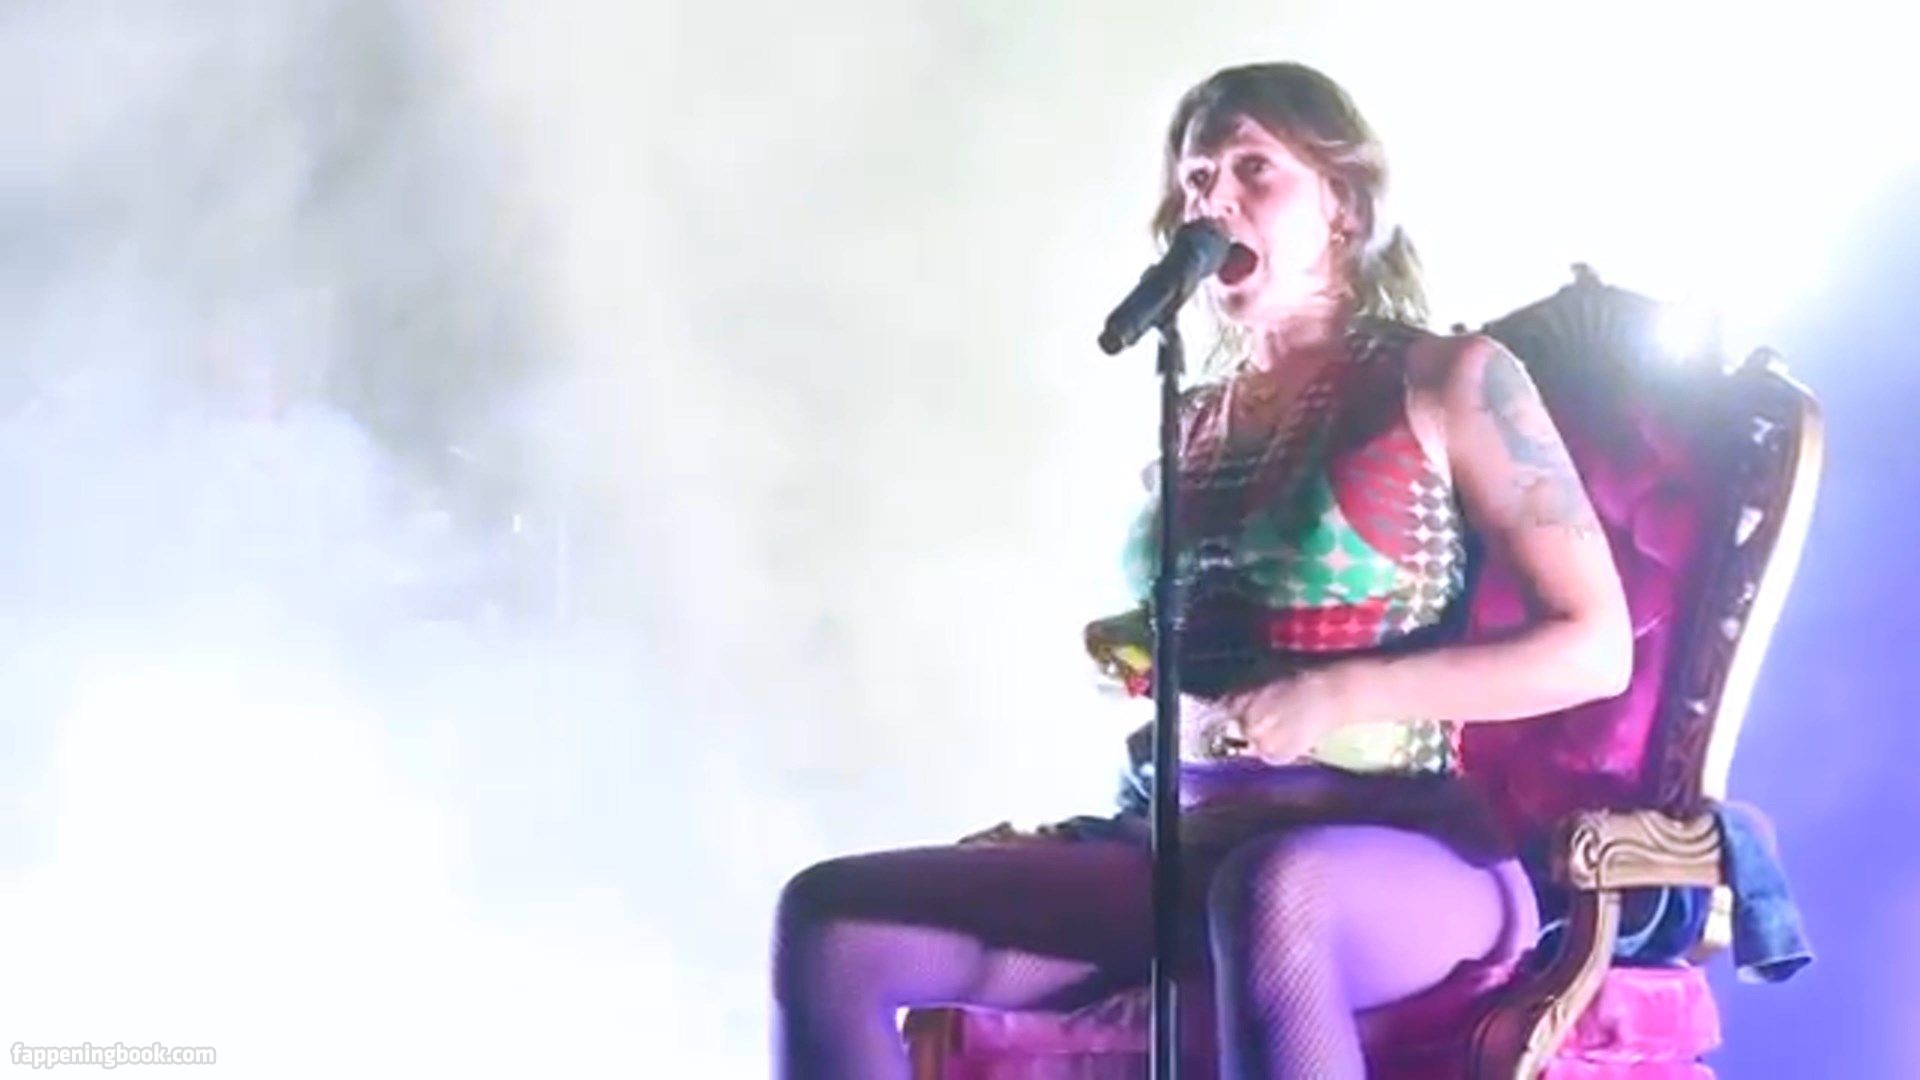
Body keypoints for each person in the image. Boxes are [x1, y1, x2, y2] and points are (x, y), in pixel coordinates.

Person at [772, 62, 1633, 1079]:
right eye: (1195, 179)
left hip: (1404, 853)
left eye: (1252, 168)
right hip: (1185, 843)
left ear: (1344, 206)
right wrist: (1151, 668)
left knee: (1272, 890)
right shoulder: (1189, 420)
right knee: (831, 922)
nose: (1213, 200)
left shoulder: (1452, 379)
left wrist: (1341, 695)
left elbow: (1596, 648)